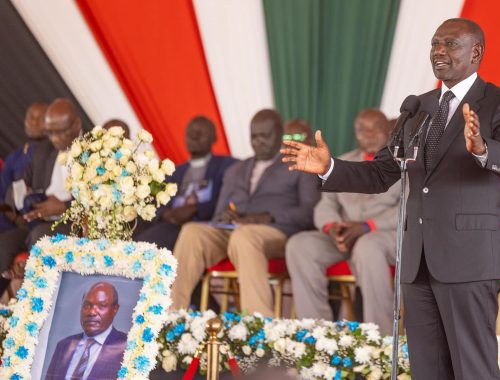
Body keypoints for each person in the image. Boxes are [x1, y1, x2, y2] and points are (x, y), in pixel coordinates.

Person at [281, 18, 500, 380]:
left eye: (450, 44)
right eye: (434, 44)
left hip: (469, 260)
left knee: (472, 369)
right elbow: (381, 173)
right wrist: (330, 167)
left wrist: (481, 148)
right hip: (417, 262)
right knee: (427, 370)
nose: (439, 51)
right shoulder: (418, 108)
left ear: (476, 52)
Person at [170, 109, 320, 315]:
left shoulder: (301, 166)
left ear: (279, 132)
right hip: (232, 230)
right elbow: (218, 214)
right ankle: (170, 316)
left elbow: (310, 213)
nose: (258, 142)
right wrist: (225, 216)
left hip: (276, 232)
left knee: (244, 237)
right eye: (253, 137)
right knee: (191, 231)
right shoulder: (236, 170)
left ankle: (257, 325)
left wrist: (269, 217)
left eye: (264, 136)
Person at [286, 108, 400, 332]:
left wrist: (367, 227)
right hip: (345, 236)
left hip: (385, 234)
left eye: (374, 127)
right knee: (299, 245)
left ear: (387, 129)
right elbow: (325, 205)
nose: (368, 134)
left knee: (368, 247)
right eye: (361, 129)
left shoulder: (402, 163)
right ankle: (316, 336)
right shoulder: (343, 161)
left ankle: (380, 340)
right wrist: (332, 227)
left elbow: (409, 207)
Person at [0, 98, 80, 295]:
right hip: (35, 221)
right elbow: (18, 186)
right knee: (5, 244)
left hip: (71, 223)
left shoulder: (95, 152)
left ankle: (36, 310)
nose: (55, 138)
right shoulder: (43, 150)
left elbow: (100, 201)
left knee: (40, 237)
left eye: (60, 131)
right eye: (50, 132)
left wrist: (64, 206)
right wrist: (24, 197)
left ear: (77, 124)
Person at [134, 116, 237, 250]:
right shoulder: (174, 172)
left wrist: (195, 209)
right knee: (138, 244)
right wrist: (168, 214)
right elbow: (158, 203)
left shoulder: (227, 165)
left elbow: (225, 200)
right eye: (190, 133)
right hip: (171, 224)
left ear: (214, 138)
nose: (194, 137)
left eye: (200, 133)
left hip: (203, 226)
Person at [45, 282, 127, 380]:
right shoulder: (64, 346)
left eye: (101, 306)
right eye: (87, 305)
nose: (92, 312)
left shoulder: (127, 348)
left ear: (115, 309)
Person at [0, 103, 47, 234]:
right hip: (13, 219)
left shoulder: (55, 154)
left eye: (40, 118)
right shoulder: (14, 157)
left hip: (42, 216)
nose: (34, 122)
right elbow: (3, 194)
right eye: (30, 117)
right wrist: (13, 216)